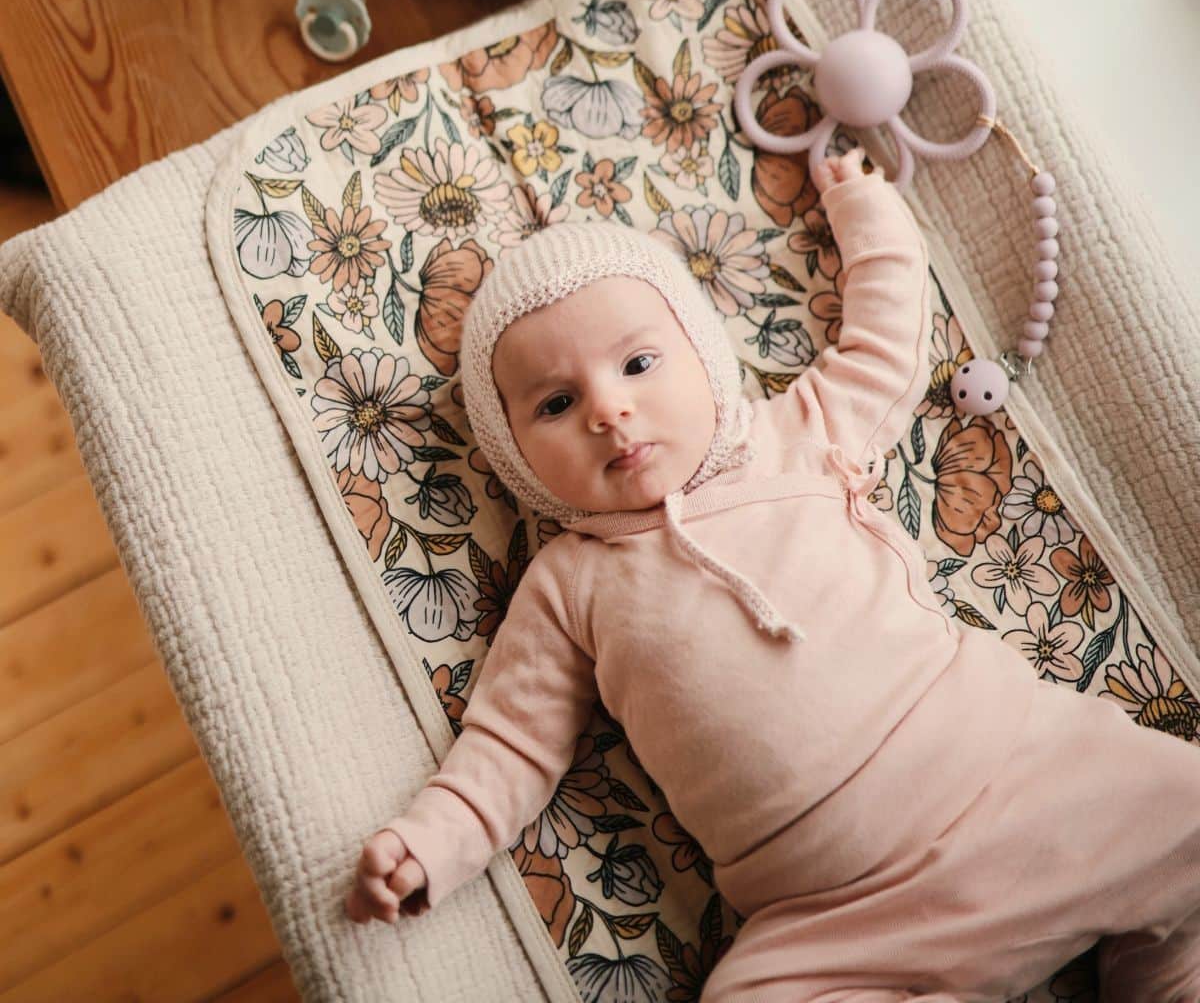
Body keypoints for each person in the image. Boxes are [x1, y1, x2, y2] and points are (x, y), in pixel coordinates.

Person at [345, 148, 1200, 1002]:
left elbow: (887, 343)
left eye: (638, 364)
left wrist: (866, 211)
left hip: (1020, 769)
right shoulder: (568, 586)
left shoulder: (797, 435)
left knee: (1181, 806)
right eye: (556, 404)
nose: (609, 409)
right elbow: (510, 745)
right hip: (837, 917)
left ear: (703, 356)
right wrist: (430, 843)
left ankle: (1164, 961)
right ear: (512, 453)